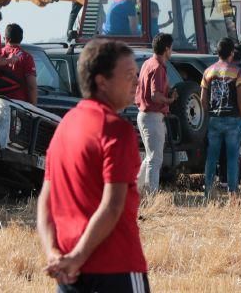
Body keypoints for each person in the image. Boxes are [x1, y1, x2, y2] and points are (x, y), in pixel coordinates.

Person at [36, 39, 149, 292]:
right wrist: (77, 256)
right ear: (102, 81)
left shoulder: (65, 125)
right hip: (116, 266)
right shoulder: (116, 130)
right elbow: (112, 206)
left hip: (70, 274)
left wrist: (54, 252)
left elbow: (46, 200)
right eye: (129, 75)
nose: (137, 81)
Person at [201, 37, 241, 197]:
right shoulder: (237, 71)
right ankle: (232, 192)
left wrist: (208, 114)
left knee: (212, 157)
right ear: (231, 53)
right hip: (233, 119)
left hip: (214, 119)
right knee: (232, 157)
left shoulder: (208, 71)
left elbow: (202, 99)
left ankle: (208, 190)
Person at [135, 34, 177, 195]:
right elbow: (155, 95)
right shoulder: (159, 67)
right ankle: (151, 195)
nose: (172, 51)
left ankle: (137, 190)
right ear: (166, 49)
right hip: (153, 115)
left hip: (144, 114)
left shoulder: (147, 63)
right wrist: (169, 100)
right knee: (155, 159)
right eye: (171, 48)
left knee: (149, 156)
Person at [0, 23, 38, 104]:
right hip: (19, 106)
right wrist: (34, 108)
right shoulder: (26, 57)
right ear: (21, 39)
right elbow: (32, 86)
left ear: (6, 39)